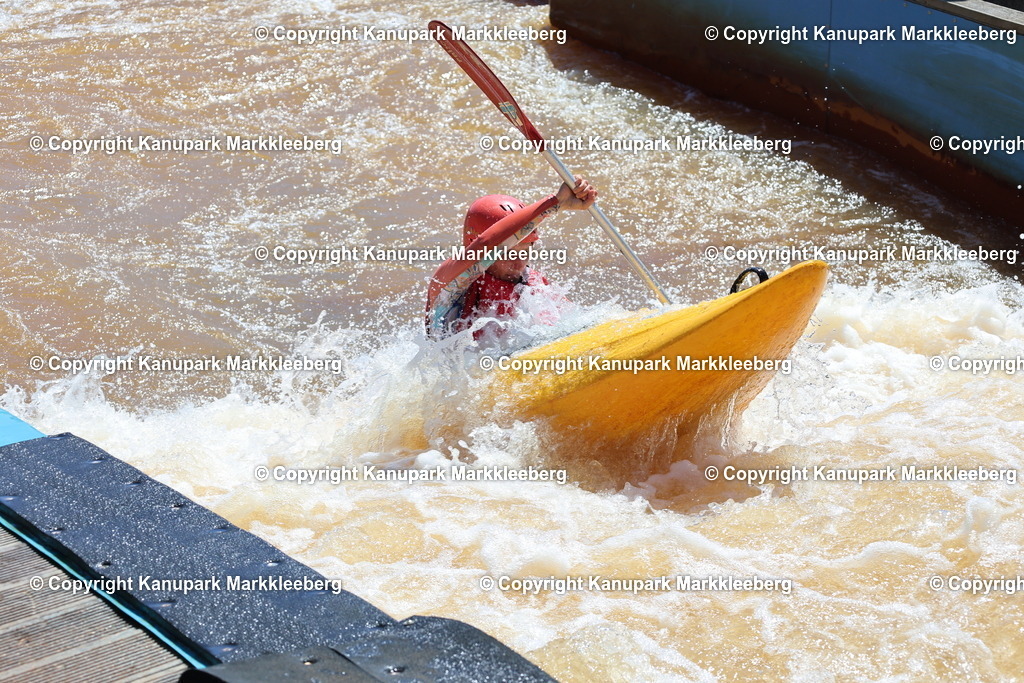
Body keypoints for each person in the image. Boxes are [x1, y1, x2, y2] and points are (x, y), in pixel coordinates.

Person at [425, 177, 597, 339]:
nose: (519, 263)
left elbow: (575, 325)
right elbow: (488, 242)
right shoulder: (450, 288)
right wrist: (556, 203)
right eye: (508, 253)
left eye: (526, 250)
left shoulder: (533, 282)